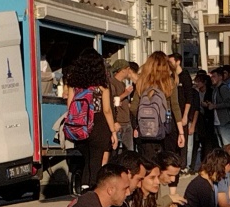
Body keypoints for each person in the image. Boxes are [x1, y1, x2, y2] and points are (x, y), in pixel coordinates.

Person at [65, 48, 118, 191]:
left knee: (86, 159)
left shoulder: (74, 83)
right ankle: (91, 191)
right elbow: (107, 110)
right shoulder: (101, 86)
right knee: (95, 161)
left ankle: (84, 188)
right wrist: (113, 131)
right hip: (98, 124)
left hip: (80, 125)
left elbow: (70, 105)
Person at [130, 51, 185, 160]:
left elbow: (133, 108)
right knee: (168, 162)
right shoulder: (170, 81)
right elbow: (175, 107)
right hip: (167, 127)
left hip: (146, 128)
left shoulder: (141, 82)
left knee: (149, 163)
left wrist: (138, 125)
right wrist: (181, 132)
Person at [169, 52, 193, 170]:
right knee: (173, 139)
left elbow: (189, 98)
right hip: (172, 114)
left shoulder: (185, 76)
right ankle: (175, 162)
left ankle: (183, 165)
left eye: (171, 61)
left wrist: (185, 116)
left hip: (183, 112)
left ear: (178, 62)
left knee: (183, 140)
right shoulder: (171, 77)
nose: (169, 64)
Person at [109, 59, 135, 151]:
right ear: (123, 70)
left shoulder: (122, 84)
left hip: (127, 122)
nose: (129, 71)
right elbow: (111, 101)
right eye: (128, 69)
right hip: (118, 123)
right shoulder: (111, 83)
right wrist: (125, 93)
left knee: (129, 152)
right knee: (117, 152)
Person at [206, 67, 230, 147]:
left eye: (214, 76)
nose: (212, 78)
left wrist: (214, 106)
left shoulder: (223, 88)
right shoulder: (215, 89)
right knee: (221, 144)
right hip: (218, 120)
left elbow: (228, 103)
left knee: (227, 143)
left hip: (224, 120)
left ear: (220, 77)